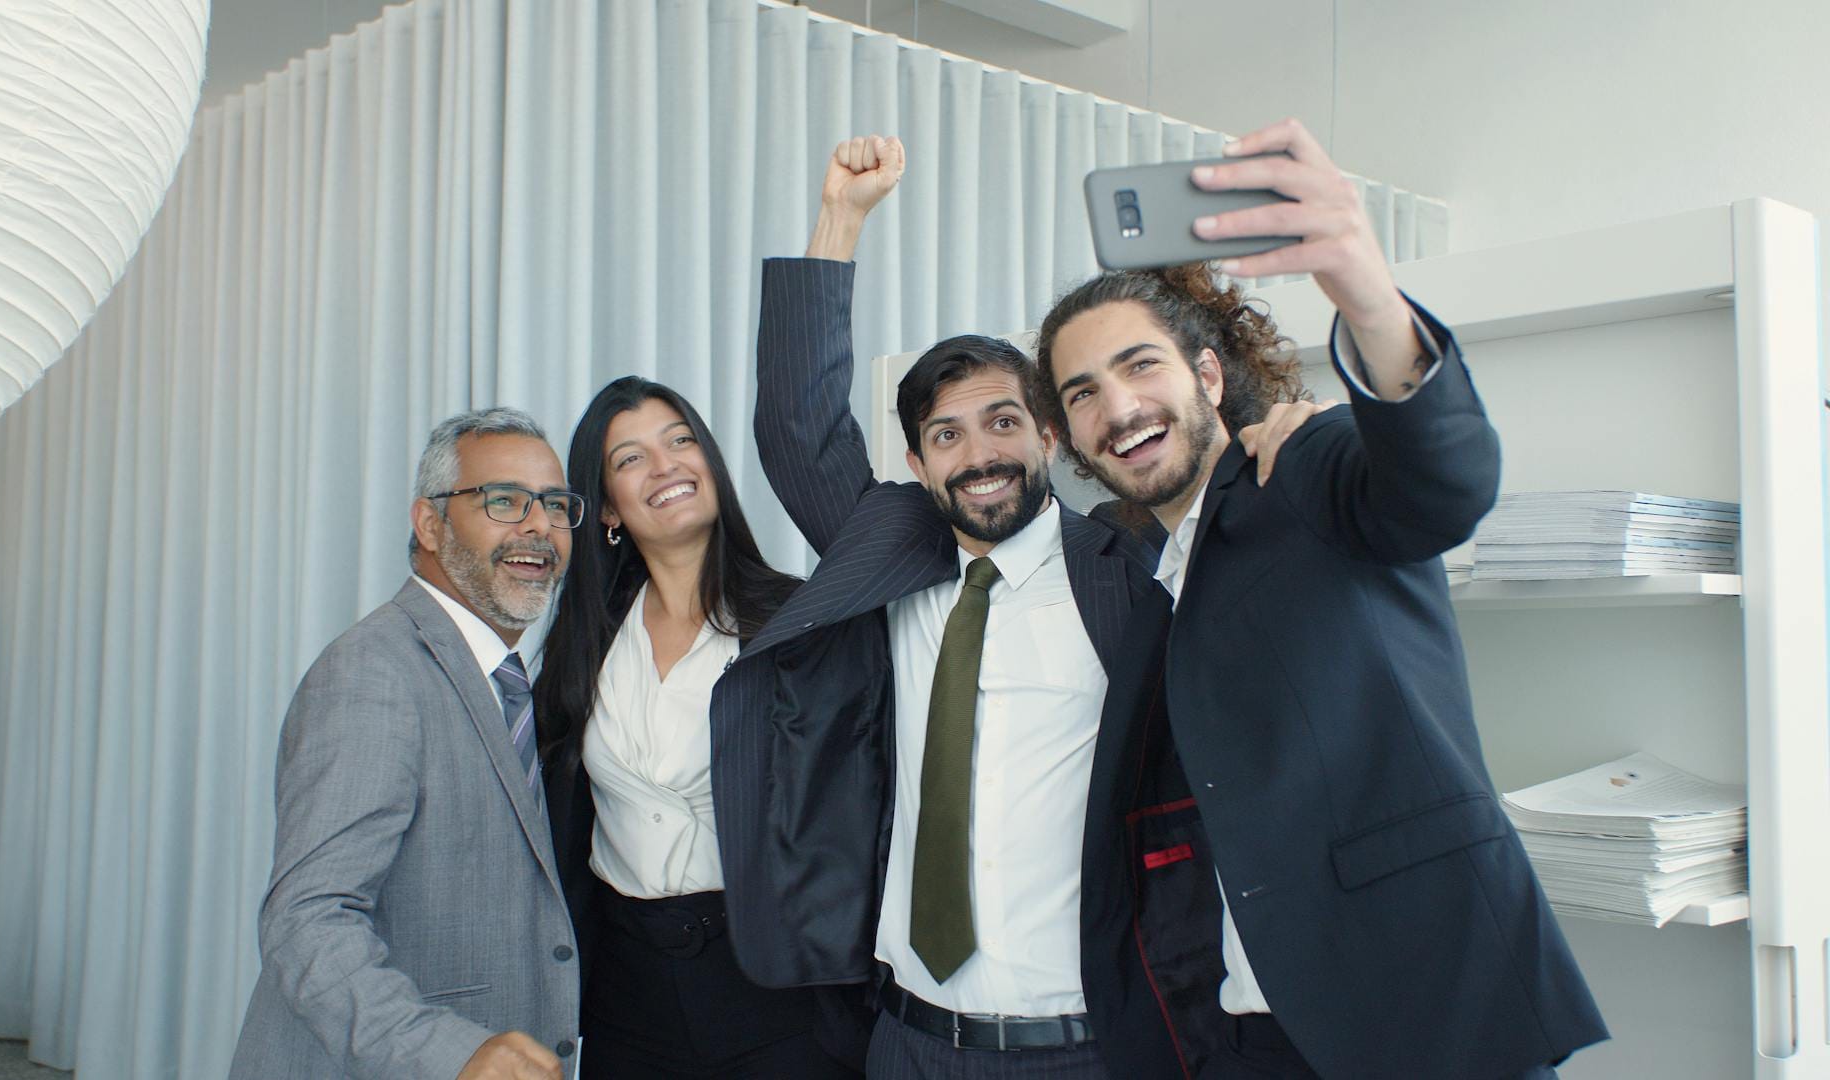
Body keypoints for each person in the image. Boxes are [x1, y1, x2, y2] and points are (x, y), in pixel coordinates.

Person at [711, 135, 1318, 1079]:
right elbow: (796, 427)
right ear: (916, 466)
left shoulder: (1129, 574)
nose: (979, 453)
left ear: (1049, 432)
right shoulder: (891, 550)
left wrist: (1286, 445)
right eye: (946, 435)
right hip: (903, 1038)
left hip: (1080, 1048)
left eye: (1003, 422)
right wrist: (842, 216)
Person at [1033, 117, 1609, 1079]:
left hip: (1422, 1012)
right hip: (1245, 1034)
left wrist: (1364, 290)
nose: (1119, 407)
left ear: (1208, 377)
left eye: (1141, 367)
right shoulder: (1140, 567)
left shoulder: (1303, 465)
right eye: (1083, 393)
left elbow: (1446, 484)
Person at [231, 408, 583, 1080]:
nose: (539, 525)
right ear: (430, 525)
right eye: (505, 500)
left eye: (556, 505)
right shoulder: (373, 673)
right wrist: (449, 1053)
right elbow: (307, 920)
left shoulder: (507, 682)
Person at [533, 377, 857, 1078]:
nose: (666, 465)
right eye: (631, 458)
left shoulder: (797, 619)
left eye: (681, 441)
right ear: (609, 509)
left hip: (772, 987)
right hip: (627, 989)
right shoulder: (583, 641)